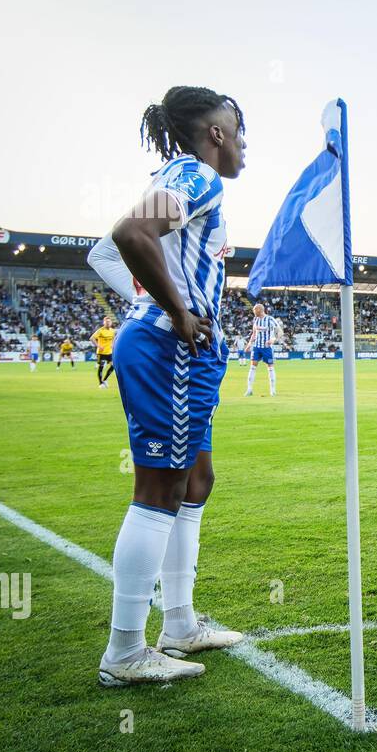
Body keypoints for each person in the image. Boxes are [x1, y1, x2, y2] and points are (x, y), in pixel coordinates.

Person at [87, 85, 247, 686]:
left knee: (196, 481)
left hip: (172, 344)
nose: (243, 144)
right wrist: (176, 313)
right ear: (215, 134)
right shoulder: (199, 176)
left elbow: (103, 253)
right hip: (171, 347)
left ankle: (179, 623)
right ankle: (125, 651)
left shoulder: (177, 176)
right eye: (239, 131)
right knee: (159, 488)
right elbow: (130, 235)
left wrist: (150, 304)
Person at [244, 303, 281, 397]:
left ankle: (273, 390)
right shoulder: (255, 319)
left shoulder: (270, 319)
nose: (253, 312)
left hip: (267, 348)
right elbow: (254, 333)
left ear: (260, 310)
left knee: (270, 368)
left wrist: (273, 340)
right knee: (252, 367)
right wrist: (249, 344)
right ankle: (249, 389)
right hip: (256, 347)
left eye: (255, 311)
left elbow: (280, 332)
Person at [90, 316, 116, 388]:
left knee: (114, 366)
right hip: (101, 353)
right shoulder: (100, 330)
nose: (108, 323)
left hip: (109, 352)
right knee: (101, 367)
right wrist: (98, 346)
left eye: (109, 322)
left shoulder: (112, 331)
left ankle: (105, 380)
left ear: (111, 323)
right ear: (103, 322)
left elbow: (113, 338)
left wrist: (112, 345)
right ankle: (100, 383)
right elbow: (92, 338)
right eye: (106, 322)